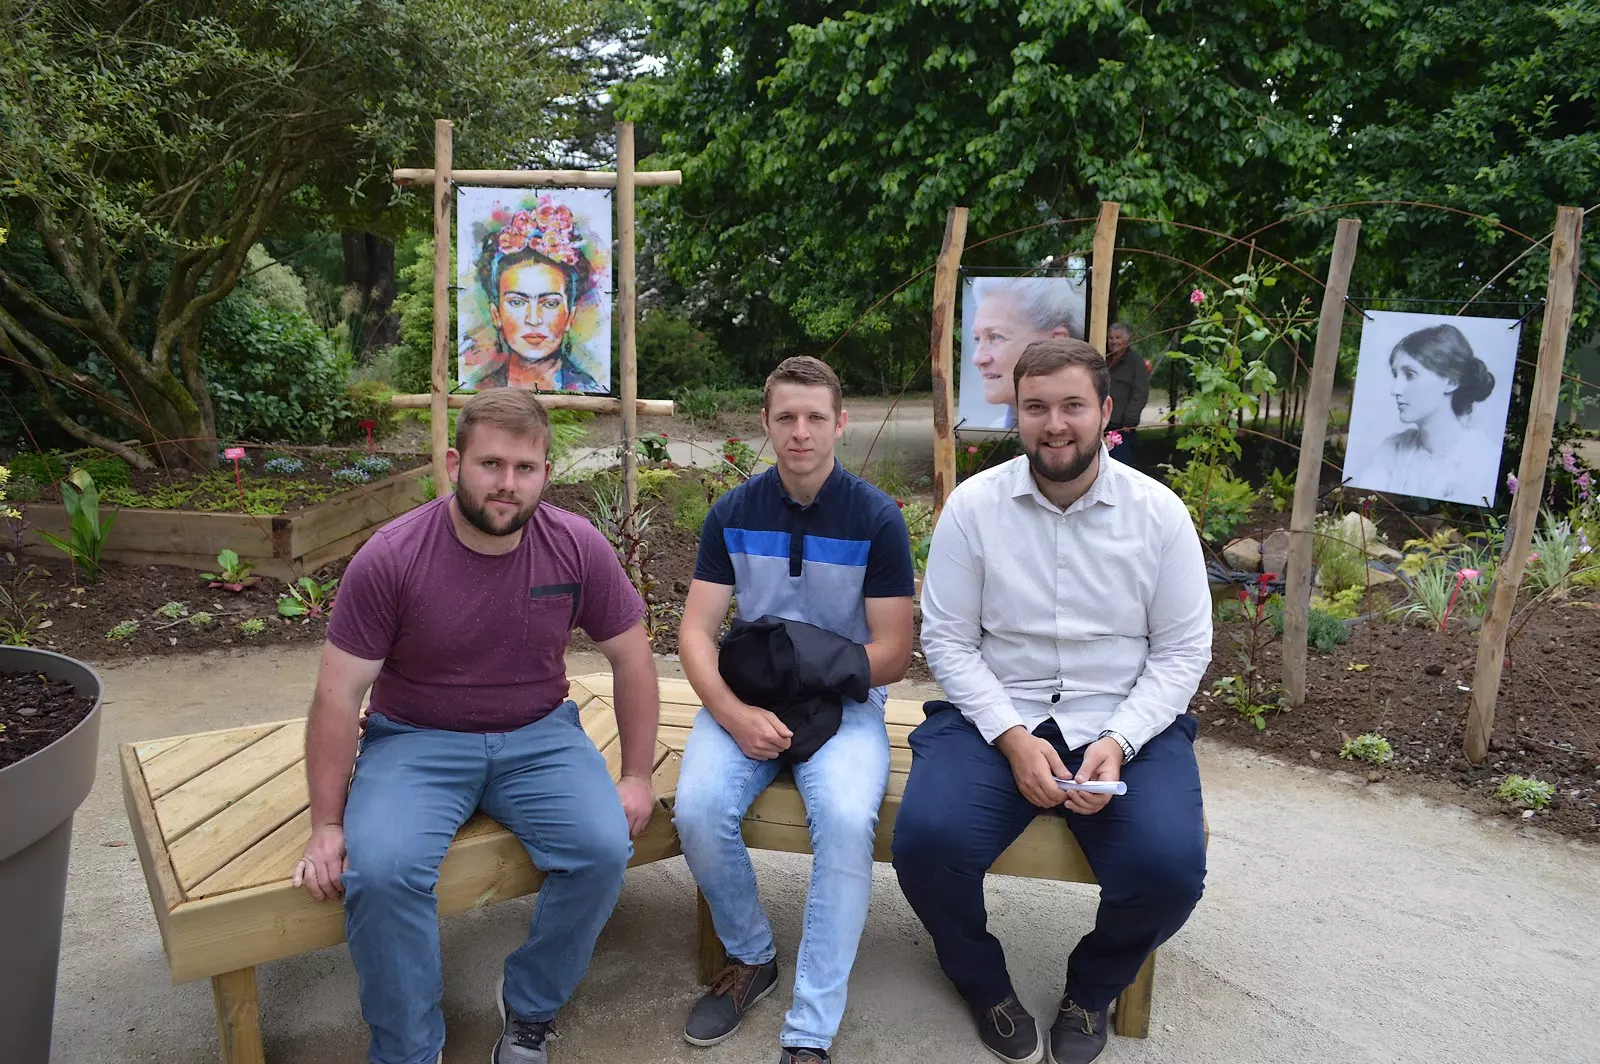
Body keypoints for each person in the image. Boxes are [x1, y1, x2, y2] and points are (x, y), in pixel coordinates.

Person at [291, 389, 661, 1064]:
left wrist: (636, 776)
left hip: (540, 736)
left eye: (525, 468)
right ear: (454, 463)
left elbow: (633, 659)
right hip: (415, 739)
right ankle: (408, 1048)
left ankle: (530, 1005)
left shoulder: (575, 545)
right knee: (383, 872)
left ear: (546, 473)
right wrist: (326, 824)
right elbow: (338, 696)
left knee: (603, 848)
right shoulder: (392, 556)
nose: (507, 483)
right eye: (491, 464)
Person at [892, 339, 1212, 1064]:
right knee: (927, 843)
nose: (1055, 423)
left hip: (1124, 717)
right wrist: (1011, 736)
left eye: (1073, 405)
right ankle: (982, 982)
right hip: (999, 711)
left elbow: (1183, 651)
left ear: (1105, 411)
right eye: (1036, 407)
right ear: (1017, 413)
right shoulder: (974, 508)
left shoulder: (1158, 514)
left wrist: (1121, 739)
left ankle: (1092, 989)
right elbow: (948, 641)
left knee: (1169, 870)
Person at [672, 356, 917, 1064]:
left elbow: (892, 654)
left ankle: (810, 1028)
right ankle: (752, 955)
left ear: (840, 423)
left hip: (844, 698)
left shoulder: (876, 519)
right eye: (786, 417)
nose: (800, 432)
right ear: (766, 423)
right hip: (750, 694)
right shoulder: (733, 513)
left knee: (844, 818)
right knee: (696, 810)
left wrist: (816, 670)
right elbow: (695, 633)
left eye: (815, 417)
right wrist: (732, 712)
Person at [460, 197, 607, 393]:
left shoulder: (587, 387)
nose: (534, 319)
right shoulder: (480, 388)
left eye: (550, 304)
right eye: (517, 302)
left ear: (570, 316)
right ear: (496, 314)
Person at [1349, 323, 1500, 502]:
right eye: (1396, 375)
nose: (1395, 389)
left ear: (1451, 382)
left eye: (1410, 375)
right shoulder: (1393, 449)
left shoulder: (1482, 460)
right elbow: (1366, 506)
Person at [969, 277, 1086, 429]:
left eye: (996, 337)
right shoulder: (992, 433)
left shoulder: (1080, 435)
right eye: (977, 339)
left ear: (1056, 343)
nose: (978, 358)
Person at [1104, 323, 1150, 464]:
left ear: (1127, 339)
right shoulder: (1104, 359)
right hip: (1103, 424)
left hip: (1122, 427)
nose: (1114, 341)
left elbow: (1140, 394)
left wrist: (1130, 422)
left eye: (1118, 338)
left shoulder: (1135, 362)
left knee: (1121, 465)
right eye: (1111, 338)